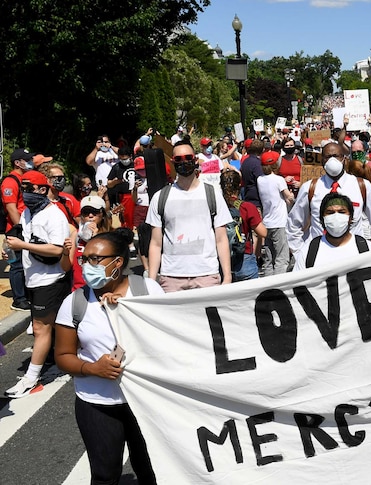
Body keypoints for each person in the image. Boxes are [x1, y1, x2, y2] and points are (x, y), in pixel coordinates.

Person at [55, 228, 160, 485]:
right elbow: (63, 355)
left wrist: (125, 310)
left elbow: (166, 339)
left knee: (152, 468)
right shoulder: (74, 303)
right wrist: (93, 369)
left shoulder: (149, 291)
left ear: (118, 262)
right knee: (104, 474)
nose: (86, 266)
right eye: (84, 258)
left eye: (95, 259)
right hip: (97, 403)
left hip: (146, 401)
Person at [4, 170, 71, 398]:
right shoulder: (27, 214)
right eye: (22, 188)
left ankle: (31, 378)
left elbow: (57, 249)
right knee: (51, 325)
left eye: (28, 188)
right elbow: (24, 239)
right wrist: (11, 249)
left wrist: (23, 247)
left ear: (42, 190)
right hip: (32, 278)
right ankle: (65, 357)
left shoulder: (55, 216)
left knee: (41, 329)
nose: (24, 192)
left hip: (50, 280)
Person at [146, 140, 233, 291]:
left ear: (195, 159)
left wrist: (227, 277)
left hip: (207, 276)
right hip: (171, 277)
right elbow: (155, 243)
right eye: (178, 159)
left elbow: (221, 238)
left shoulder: (213, 194)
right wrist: (152, 281)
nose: (184, 161)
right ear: (173, 162)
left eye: (188, 157)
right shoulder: (160, 197)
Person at [286, 140, 371, 252]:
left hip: (353, 255)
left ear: (344, 158)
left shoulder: (361, 186)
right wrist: (300, 253)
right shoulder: (309, 188)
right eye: (327, 157)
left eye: (336, 156)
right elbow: (293, 224)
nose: (332, 160)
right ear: (322, 160)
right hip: (320, 255)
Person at [292, 193, 371, 271]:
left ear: (350, 217)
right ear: (322, 218)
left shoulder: (368, 249)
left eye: (342, 212)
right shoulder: (308, 252)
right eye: (330, 213)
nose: (336, 217)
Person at [3, 148, 35, 311]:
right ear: (17, 163)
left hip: (27, 227)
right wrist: (21, 229)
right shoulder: (10, 182)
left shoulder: (24, 179)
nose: (30, 162)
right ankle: (19, 299)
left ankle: (26, 294)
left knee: (27, 262)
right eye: (26, 159)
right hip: (16, 229)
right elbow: (11, 208)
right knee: (16, 265)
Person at [220, 171, 266, 282]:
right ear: (240, 185)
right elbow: (263, 233)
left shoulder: (217, 206)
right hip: (244, 257)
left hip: (221, 260)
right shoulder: (247, 207)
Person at [258, 150, 294, 276]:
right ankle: (280, 285)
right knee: (281, 257)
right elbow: (289, 198)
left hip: (267, 222)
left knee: (268, 258)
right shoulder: (279, 180)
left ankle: (268, 282)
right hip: (279, 222)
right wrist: (292, 195)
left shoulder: (260, 179)